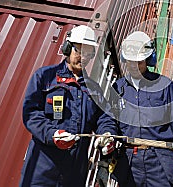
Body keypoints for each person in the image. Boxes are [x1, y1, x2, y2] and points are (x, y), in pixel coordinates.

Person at [19, 25, 117, 187]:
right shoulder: (44, 77)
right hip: (42, 167)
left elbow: (104, 118)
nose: (83, 58)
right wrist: (52, 134)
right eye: (79, 51)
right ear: (67, 48)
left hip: (74, 172)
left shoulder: (94, 90)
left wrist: (107, 134)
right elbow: (31, 114)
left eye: (88, 53)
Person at [109, 31, 173, 187]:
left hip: (160, 164)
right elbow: (110, 121)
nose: (134, 66)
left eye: (138, 62)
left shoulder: (164, 87)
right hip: (129, 163)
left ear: (148, 59)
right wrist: (107, 141)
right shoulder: (118, 88)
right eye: (131, 62)